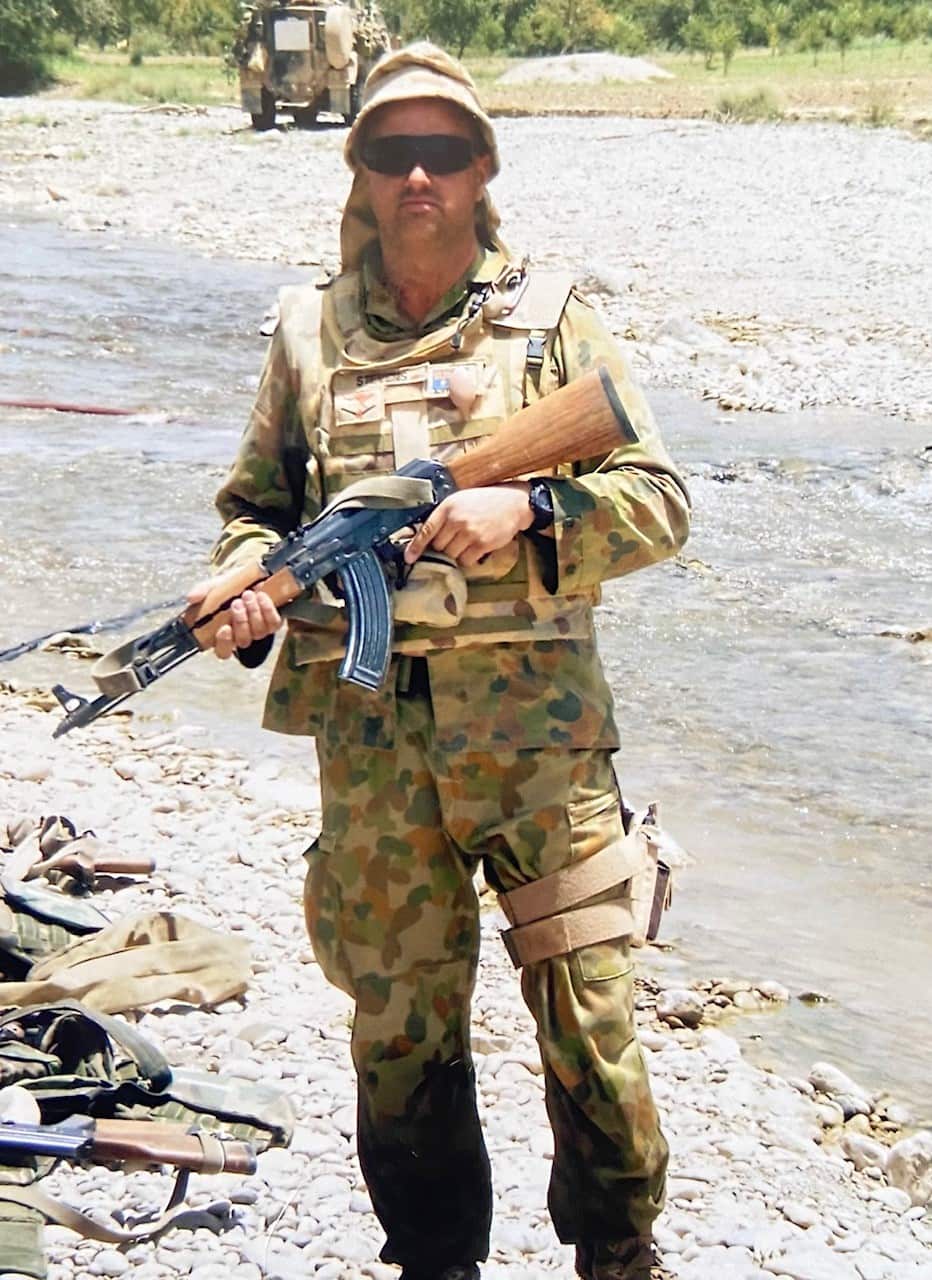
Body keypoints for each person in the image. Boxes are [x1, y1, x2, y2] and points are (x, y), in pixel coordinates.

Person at [193, 43, 690, 1280]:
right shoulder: (308, 328)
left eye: (444, 152)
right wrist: (241, 580)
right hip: (371, 746)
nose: (418, 176)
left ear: (481, 170)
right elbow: (256, 504)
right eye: (390, 152)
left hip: (537, 741)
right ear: (357, 173)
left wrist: (531, 513)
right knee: (399, 1024)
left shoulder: (552, 317)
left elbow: (660, 500)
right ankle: (432, 1256)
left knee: (589, 1005)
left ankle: (618, 1247)